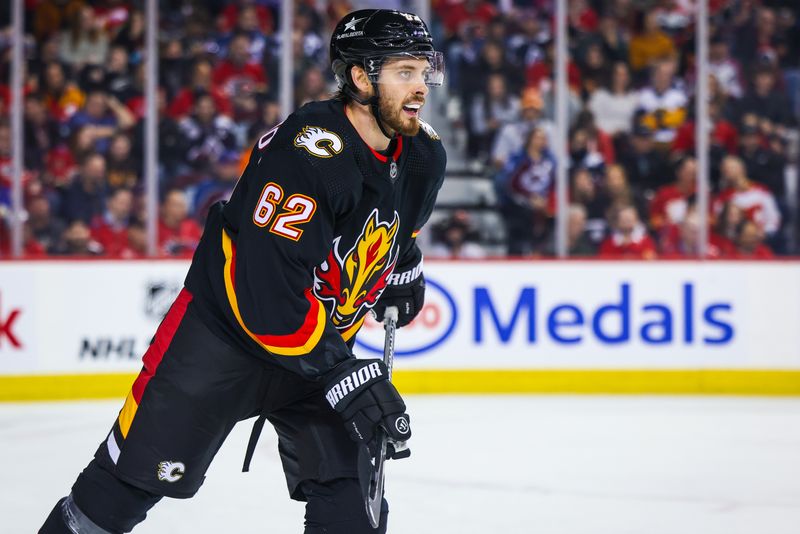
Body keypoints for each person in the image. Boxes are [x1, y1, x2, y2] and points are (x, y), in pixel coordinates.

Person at [40, 9, 446, 534]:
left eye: (423, 71)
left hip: (312, 350)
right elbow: (265, 296)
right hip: (221, 340)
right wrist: (341, 372)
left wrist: (402, 269)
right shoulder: (309, 154)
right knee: (119, 494)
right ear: (361, 78)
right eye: (403, 72)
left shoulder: (423, 155)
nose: (420, 88)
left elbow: (396, 229)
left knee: (353, 504)